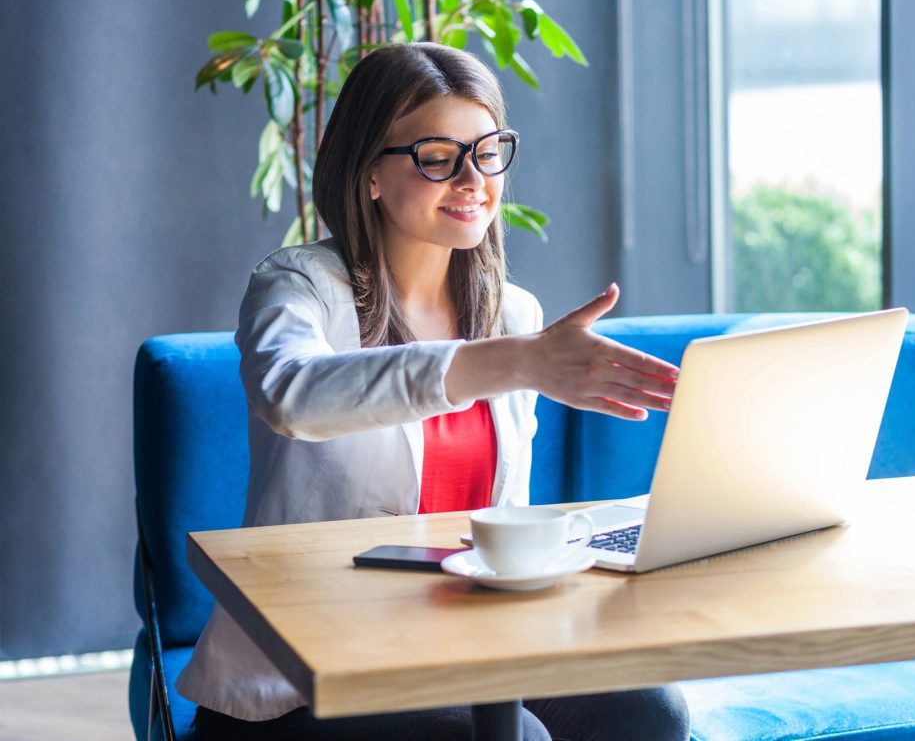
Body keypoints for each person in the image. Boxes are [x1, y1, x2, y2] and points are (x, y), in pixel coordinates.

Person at [176, 42, 691, 740]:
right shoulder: (299, 287)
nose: (473, 179)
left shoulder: (514, 314)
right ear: (369, 177)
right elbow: (291, 396)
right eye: (438, 157)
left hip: (457, 650)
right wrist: (509, 364)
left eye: (488, 152)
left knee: (649, 710)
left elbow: (499, 526)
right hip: (306, 680)